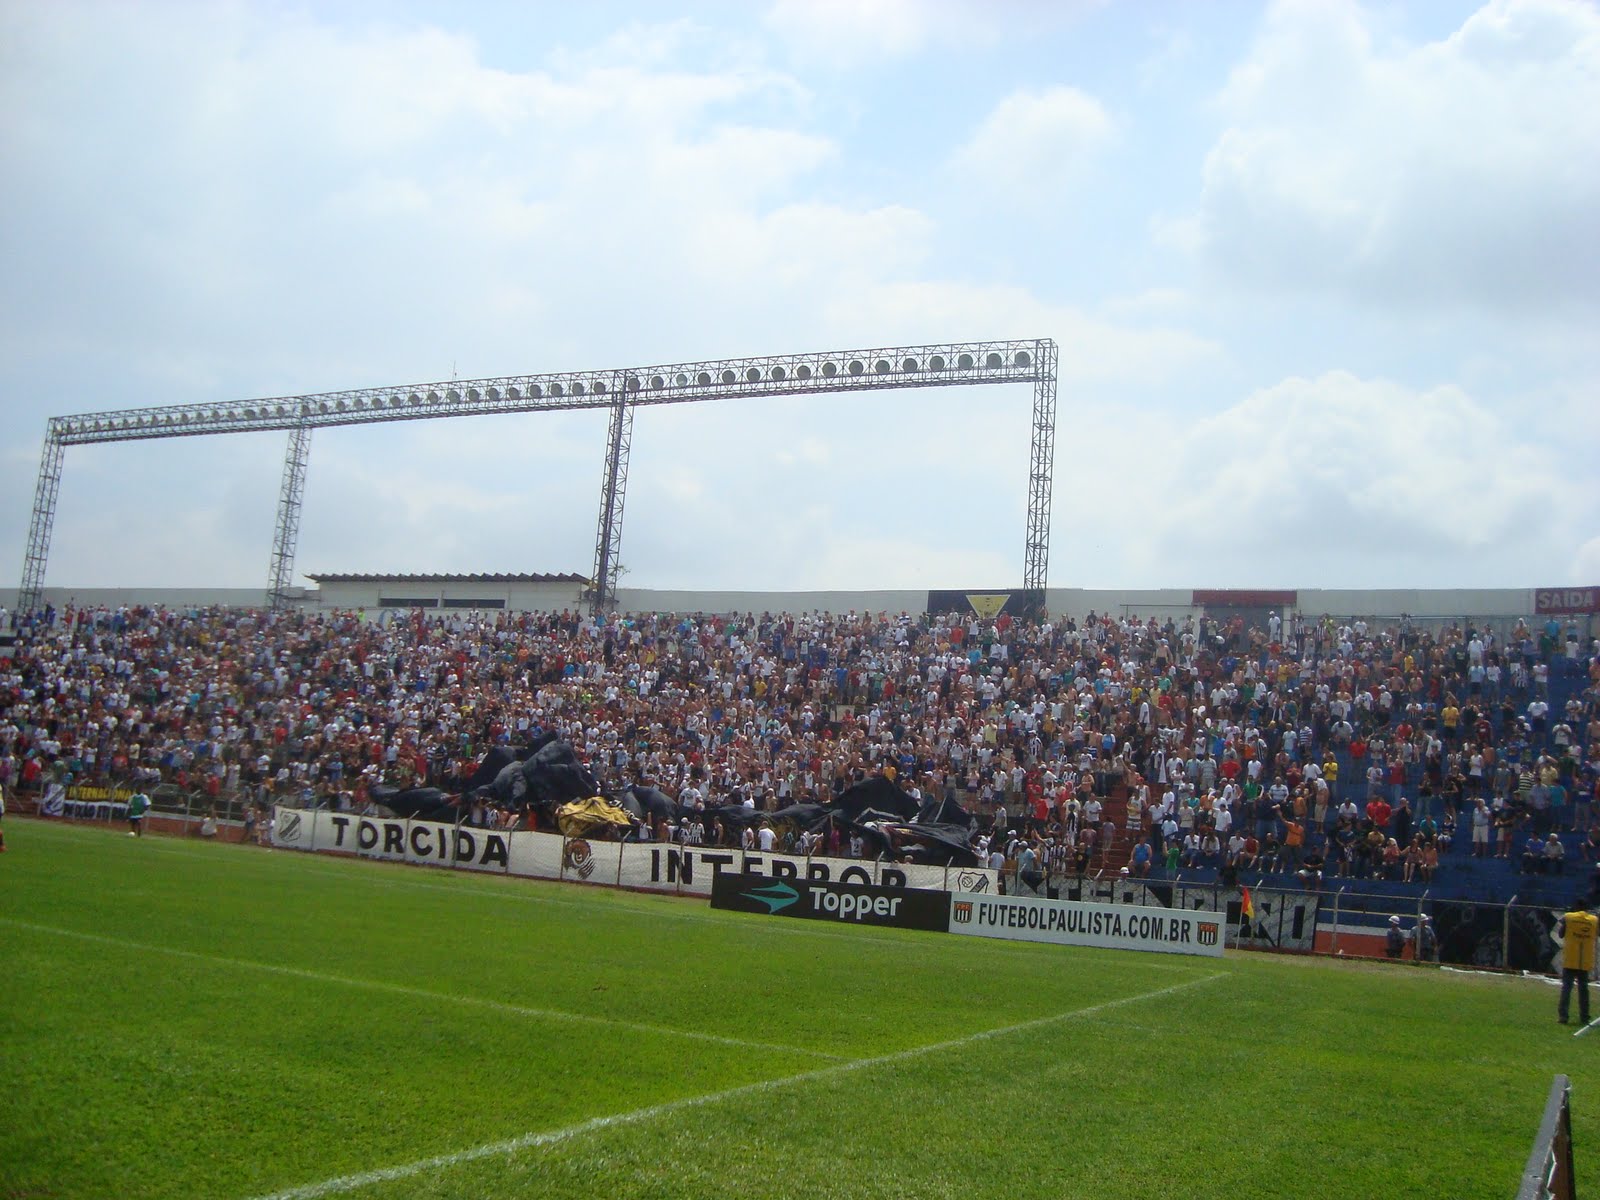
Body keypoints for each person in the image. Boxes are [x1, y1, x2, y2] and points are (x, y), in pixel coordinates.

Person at [1557, 902, 1598, 1026]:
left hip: (1570, 959)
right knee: (1584, 989)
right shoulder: (1593, 920)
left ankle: (1563, 1017)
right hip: (1585, 960)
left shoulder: (1569, 917)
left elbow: (1560, 934)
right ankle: (1584, 1017)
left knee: (1566, 989)